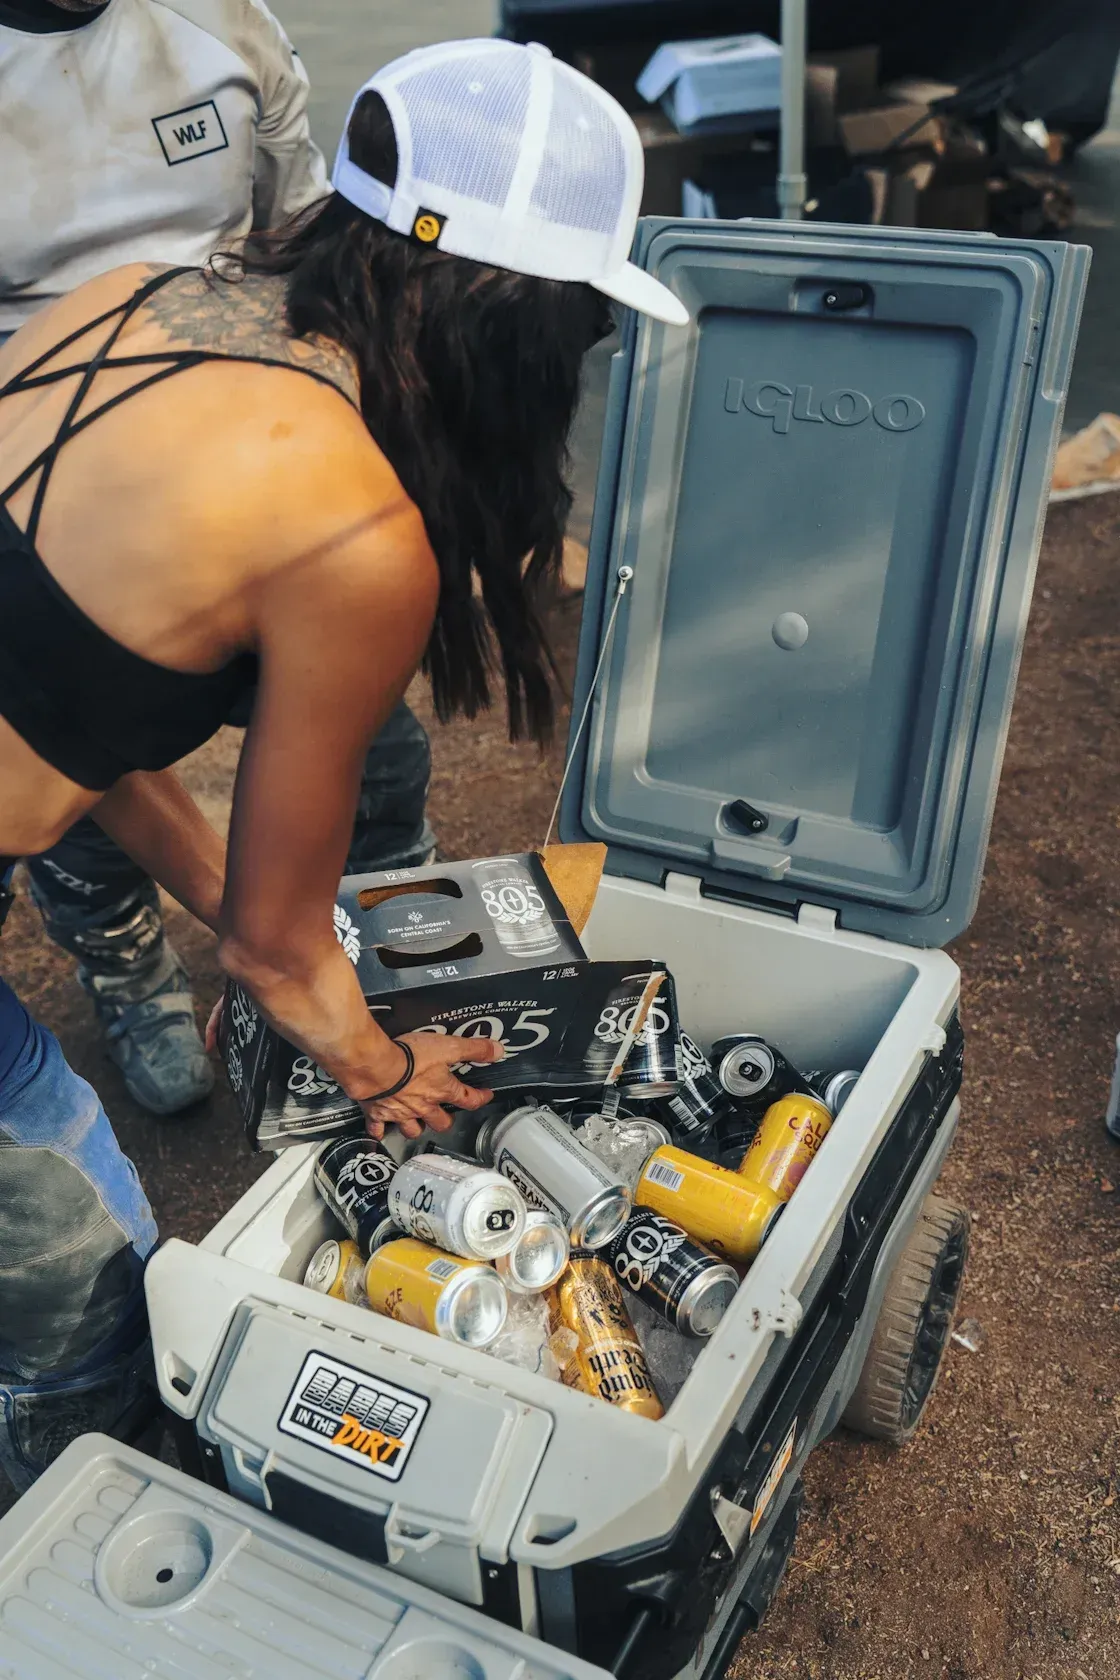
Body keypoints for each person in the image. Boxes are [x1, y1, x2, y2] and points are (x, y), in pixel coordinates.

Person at [0, 36, 689, 1491]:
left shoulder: (133, 301)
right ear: (509, 317)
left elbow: (72, 729)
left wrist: (270, 925)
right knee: (89, 1279)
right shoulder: (352, 536)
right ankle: (76, 1524)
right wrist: (386, 1067)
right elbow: (272, 957)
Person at [0, 0, 436, 1116]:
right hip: (63, 446)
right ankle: (121, 953)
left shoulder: (222, 30)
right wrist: (373, 1064)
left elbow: (300, 232)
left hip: (181, 430)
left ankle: (371, 945)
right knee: (83, 1253)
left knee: (359, 747)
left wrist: (257, 929)